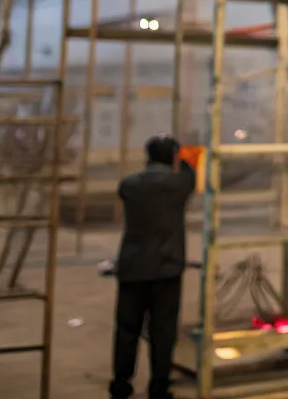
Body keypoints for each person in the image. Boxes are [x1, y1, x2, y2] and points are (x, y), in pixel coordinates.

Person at [110, 134, 196, 399]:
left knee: (127, 328)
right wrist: (182, 157)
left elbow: (124, 190)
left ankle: (121, 383)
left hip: (133, 267)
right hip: (166, 269)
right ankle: (159, 385)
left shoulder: (130, 185)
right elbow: (191, 173)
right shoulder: (180, 184)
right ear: (171, 156)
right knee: (163, 329)